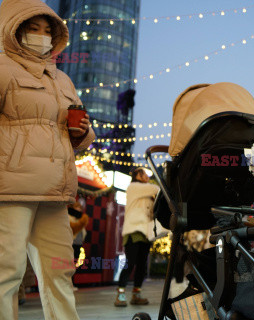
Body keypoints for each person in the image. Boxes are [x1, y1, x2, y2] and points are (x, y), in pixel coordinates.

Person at [0, 0, 96, 319]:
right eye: (33, 29)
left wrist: (82, 132)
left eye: (47, 31)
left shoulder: (63, 80)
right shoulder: (3, 69)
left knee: (60, 271)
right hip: (11, 188)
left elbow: (82, 136)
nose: (42, 36)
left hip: (55, 192)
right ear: (13, 31)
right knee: (6, 272)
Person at [115, 168, 160, 307]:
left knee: (141, 266)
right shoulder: (133, 187)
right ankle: (120, 295)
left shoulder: (147, 193)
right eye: (144, 174)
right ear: (137, 176)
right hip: (133, 230)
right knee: (130, 263)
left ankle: (136, 294)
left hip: (146, 232)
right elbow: (156, 188)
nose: (147, 176)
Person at [68, 200, 90, 289]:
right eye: (77, 207)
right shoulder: (68, 216)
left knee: (74, 265)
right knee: (68, 264)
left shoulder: (80, 218)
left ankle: (71, 284)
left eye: (80, 208)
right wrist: (82, 221)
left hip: (78, 244)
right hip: (70, 243)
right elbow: (74, 228)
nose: (79, 209)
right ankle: (68, 284)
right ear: (73, 207)